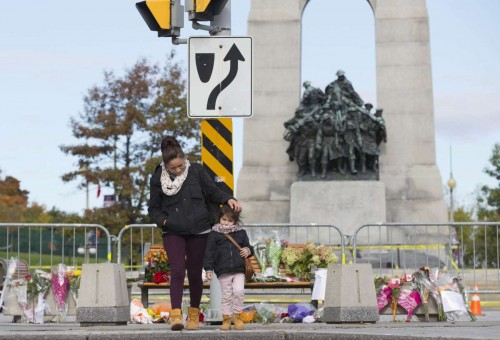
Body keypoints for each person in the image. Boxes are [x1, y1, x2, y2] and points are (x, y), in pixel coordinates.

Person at [148, 136, 241, 331]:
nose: (179, 170)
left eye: (181, 165)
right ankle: (175, 316)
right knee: (178, 271)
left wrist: (229, 198)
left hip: (200, 230)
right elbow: (154, 208)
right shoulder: (158, 177)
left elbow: (212, 191)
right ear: (166, 166)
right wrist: (164, 221)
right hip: (173, 231)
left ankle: (193, 315)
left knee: (195, 274)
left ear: (184, 159)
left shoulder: (196, 170)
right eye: (173, 168)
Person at [204, 205, 254, 331]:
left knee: (239, 292)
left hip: (239, 269)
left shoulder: (241, 233)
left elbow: (249, 247)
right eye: (224, 219)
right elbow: (209, 253)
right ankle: (226, 319)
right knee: (226, 295)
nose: (226, 223)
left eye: (230, 220)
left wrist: (247, 250)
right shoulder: (214, 234)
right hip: (223, 270)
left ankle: (237, 317)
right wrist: (209, 269)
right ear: (219, 219)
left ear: (235, 221)